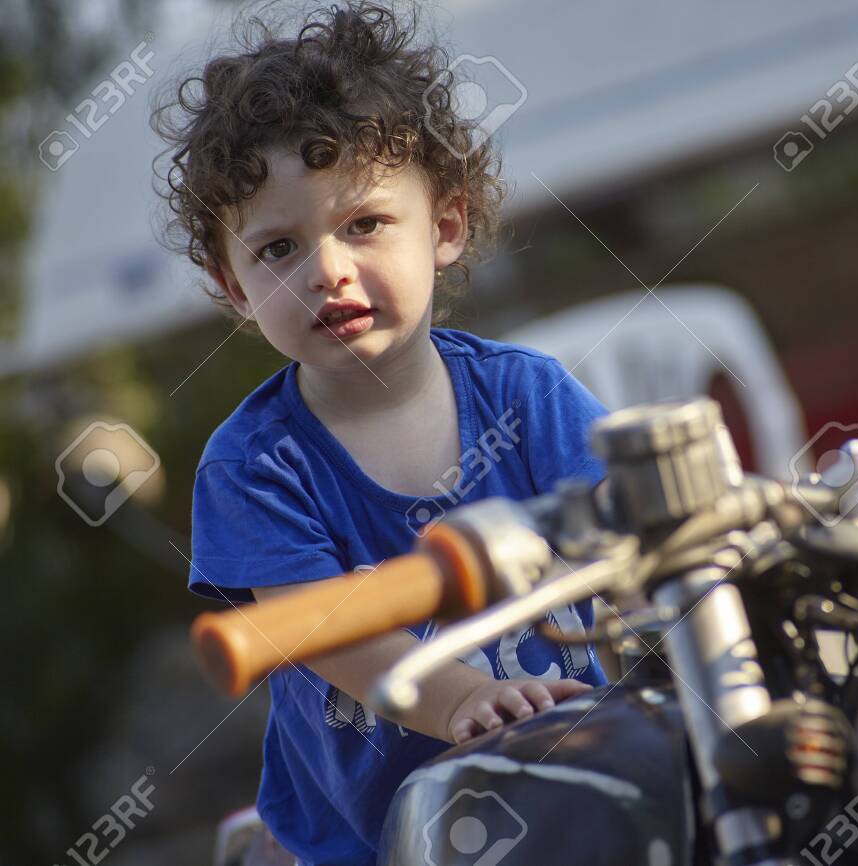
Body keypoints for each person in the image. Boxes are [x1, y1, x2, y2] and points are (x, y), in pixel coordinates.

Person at [151, 3, 608, 863]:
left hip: (585, 787)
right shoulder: (252, 468)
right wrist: (459, 695)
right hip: (377, 837)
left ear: (444, 226)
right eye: (278, 249)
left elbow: (639, 530)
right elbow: (331, 633)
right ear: (234, 286)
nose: (327, 270)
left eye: (362, 224)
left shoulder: (529, 397)